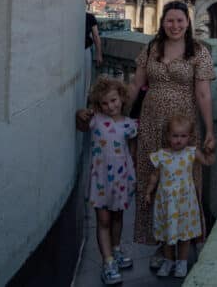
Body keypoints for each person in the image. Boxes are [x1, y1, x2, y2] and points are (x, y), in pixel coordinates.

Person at [128, 1, 216, 269]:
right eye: (170, 21)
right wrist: (118, 114)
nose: (175, 25)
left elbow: (203, 93)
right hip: (152, 123)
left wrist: (210, 129)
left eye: (179, 21)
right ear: (163, 23)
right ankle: (160, 243)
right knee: (152, 182)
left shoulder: (198, 52)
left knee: (184, 186)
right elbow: (136, 84)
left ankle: (183, 243)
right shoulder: (151, 49)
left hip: (183, 128)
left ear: (188, 23)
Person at [75, 76, 138, 285]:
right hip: (101, 180)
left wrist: (133, 175)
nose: (110, 106)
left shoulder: (130, 125)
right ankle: (108, 261)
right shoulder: (96, 120)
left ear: (121, 98)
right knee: (103, 221)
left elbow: (132, 150)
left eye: (113, 100)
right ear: (98, 104)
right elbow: (81, 125)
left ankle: (116, 249)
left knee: (118, 218)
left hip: (120, 180)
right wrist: (80, 114)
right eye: (104, 103)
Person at [144, 114, 214, 278]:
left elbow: (207, 161)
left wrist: (210, 150)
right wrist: (148, 191)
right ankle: (169, 261)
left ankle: (182, 263)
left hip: (185, 202)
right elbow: (155, 175)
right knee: (167, 234)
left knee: (184, 235)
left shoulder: (191, 152)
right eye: (175, 136)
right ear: (168, 136)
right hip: (167, 202)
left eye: (183, 136)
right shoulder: (161, 155)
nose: (179, 140)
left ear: (189, 137)